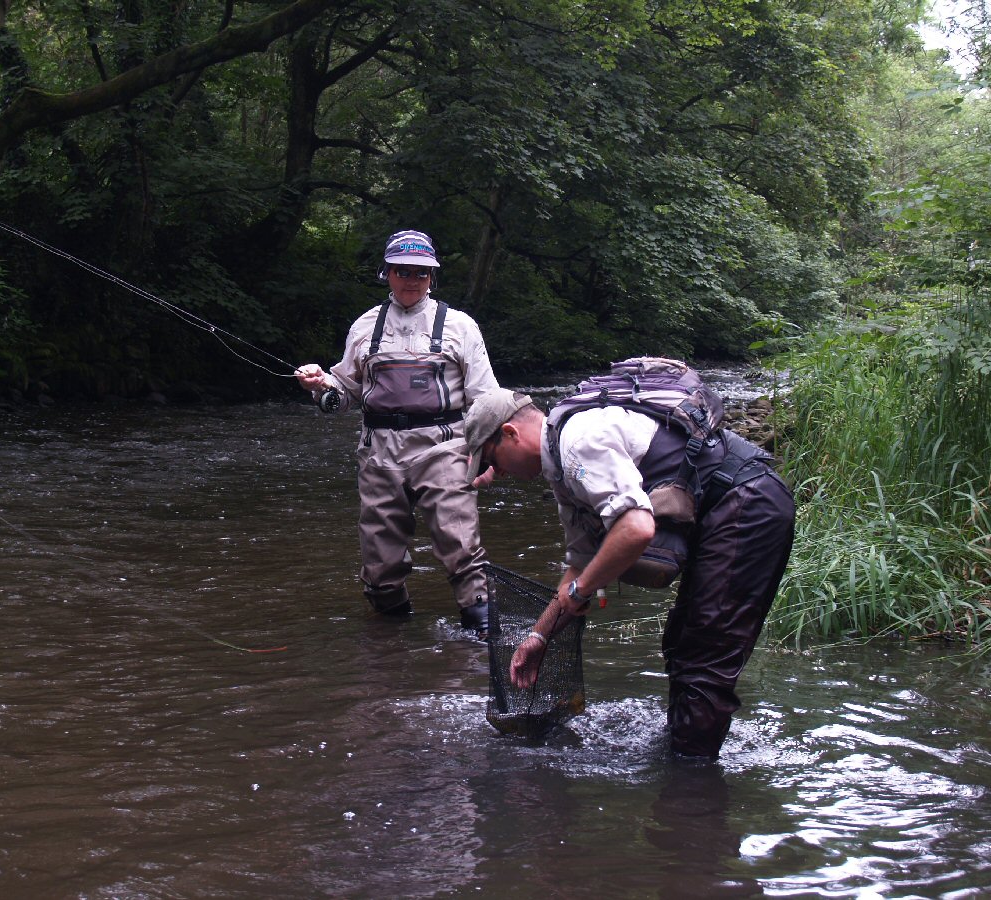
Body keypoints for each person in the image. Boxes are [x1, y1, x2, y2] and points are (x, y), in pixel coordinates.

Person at [463, 380, 795, 757]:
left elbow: (636, 529)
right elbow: (581, 565)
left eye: (491, 460)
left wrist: (582, 591)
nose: (497, 474)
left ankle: (692, 789)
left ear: (510, 432)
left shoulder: (578, 445)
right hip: (728, 508)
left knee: (704, 655)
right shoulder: (564, 470)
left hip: (749, 504)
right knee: (683, 643)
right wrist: (539, 638)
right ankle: (687, 761)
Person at [295, 229, 499, 636]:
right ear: (386, 273)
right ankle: (390, 648)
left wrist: (489, 457)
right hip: (378, 452)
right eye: (402, 271)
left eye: (420, 273)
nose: (411, 279)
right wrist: (319, 388)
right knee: (380, 563)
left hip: (445, 446)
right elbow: (345, 392)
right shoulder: (365, 326)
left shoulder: (460, 326)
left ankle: (482, 638)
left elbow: (486, 400)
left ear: (431, 277)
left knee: (460, 546)